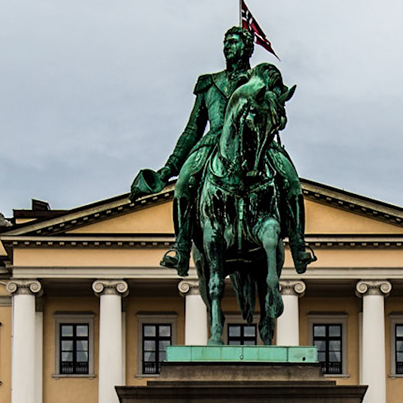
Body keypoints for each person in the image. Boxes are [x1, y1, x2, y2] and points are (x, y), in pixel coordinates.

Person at [135, 26, 315, 275]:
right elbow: (192, 129)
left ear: (247, 47)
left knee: (291, 181)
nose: (227, 47)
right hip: (212, 143)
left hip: (258, 144)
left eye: (234, 42)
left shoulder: (262, 79)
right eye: (225, 42)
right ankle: (180, 248)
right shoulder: (209, 84)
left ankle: (298, 245)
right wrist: (169, 168)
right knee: (183, 184)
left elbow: (277, 111)